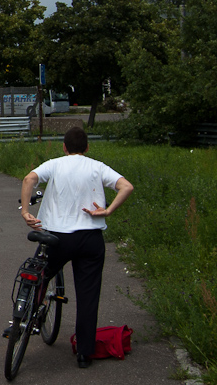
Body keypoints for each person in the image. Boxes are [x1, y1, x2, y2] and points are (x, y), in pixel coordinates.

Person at [19, 126, 134, 369]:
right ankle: (84, 353)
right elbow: (127, 186)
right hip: (90, 238)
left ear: (64, 147)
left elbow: (29, 179)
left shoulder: (54, 164)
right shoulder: (97, 167)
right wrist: (108, 210)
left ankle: (27, 315)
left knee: (39, 276)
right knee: (88, 295)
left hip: (57, 237)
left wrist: (27, 211)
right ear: (87, 148)